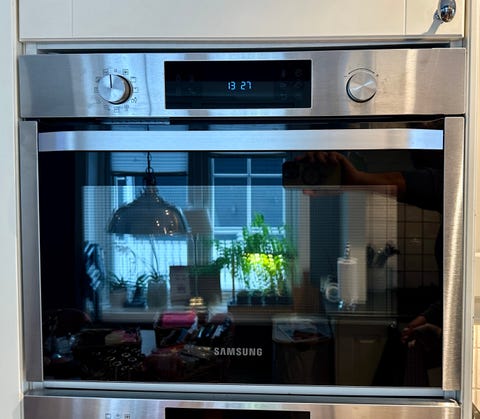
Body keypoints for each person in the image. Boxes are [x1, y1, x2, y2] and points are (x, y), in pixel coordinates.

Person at [301, 151, 443, 385]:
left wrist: (357, 181)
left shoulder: (456, 186)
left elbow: (428, 185)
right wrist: (430, 316)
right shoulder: (450, 193)